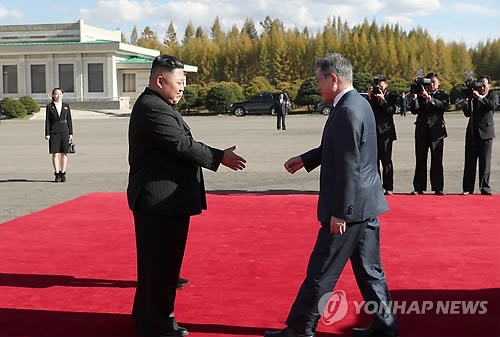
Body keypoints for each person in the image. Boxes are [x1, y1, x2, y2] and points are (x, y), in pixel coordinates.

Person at [265, 53, 398, 337]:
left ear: (333, 78)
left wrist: (341, 212)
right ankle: (385, 326)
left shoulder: (347, 110)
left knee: (321, 271)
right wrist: (307, 158)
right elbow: (345, 149)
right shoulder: (358, 103)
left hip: (349, 209)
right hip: (367, 204)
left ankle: (302, 328)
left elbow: (350, 165)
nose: (318, 86)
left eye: (319, 80)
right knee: (370, 272)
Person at [127, 55, 246, 337]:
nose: (182, 88)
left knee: (155, 264)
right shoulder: (152, 108)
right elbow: (182, 145)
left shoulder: (156, 104)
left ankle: (145, 316)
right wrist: (220, 157)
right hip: (160, 201)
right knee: (161, 265)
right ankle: (157, 323)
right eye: (179, 82)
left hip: (162, 199)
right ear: (160, 80)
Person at [410, 72, 449, 195]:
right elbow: (414, 110)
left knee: (437, 160)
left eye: (434, 82)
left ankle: (438, 187)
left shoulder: (443, 94)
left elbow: (444, 106)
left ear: (438, 83)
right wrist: (415, 97)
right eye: (429, 82)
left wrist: (429, 98)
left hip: (437, 131)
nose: (431, 84)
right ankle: (419, 187)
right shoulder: (420, 93)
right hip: (422, 130)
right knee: (420, 160)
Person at [461, 75, 498, 195]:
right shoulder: (473, 97)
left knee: (485, 162)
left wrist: (479, 97)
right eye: (479, 84)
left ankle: (485, 188)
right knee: (469, 162)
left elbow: (492, 106)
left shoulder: (493, 96)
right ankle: (467, 188)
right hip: (472, 132)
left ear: (489, 85)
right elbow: (467, 113)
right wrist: (466, 100)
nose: (482, 87)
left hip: (486, 133)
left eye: (484, 84)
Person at [368, 75, 398, 195]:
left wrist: (382, 100)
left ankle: (388, 186)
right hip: (373, 132)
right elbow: (367, 111)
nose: (379, 87)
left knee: (386, 160)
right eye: (377, 85)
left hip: (386, 132)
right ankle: (376, 186)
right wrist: (370, 97)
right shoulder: (373, 98)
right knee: (373, 161)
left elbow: (391, 111)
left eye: (381, 85)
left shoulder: (391, 96)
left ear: (386, 85)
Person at [45, 88, 73, 182]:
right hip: (54, 132)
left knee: (64, 153)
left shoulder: (66, 106)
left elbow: (69, 120)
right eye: (56, 94)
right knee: (55, 153)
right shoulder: (50, 107)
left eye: (60, 94)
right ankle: (57, 173)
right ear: (53, 95)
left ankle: (63, 172)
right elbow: (47, 121)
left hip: (64, 131)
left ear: (62, 95)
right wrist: (47, 133)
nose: (58, 96)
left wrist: (71, 133)